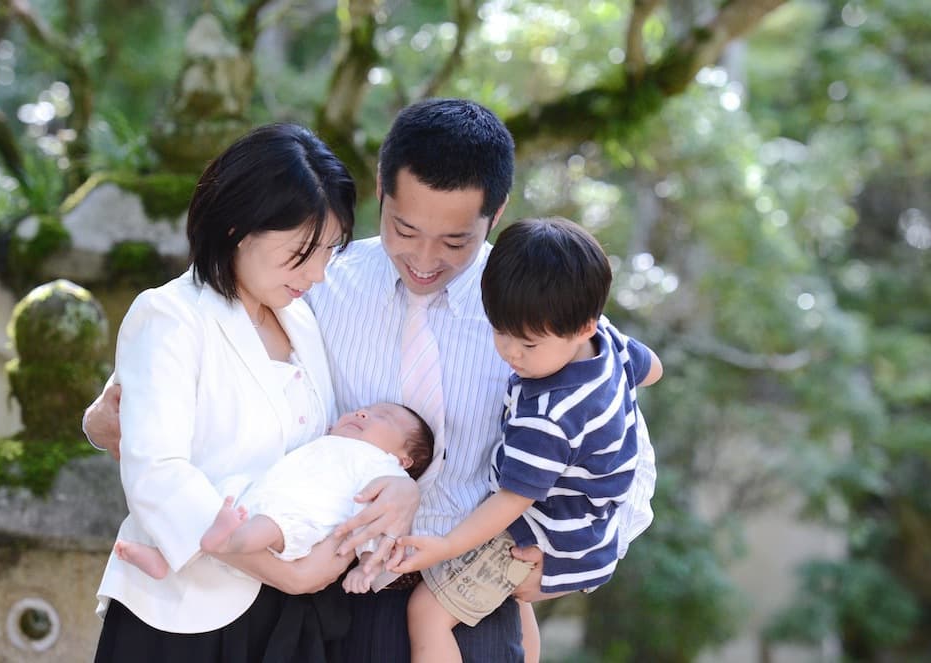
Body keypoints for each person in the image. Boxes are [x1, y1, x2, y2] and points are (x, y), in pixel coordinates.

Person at [85, 98, 658, 662]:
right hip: (324, 604)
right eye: (404, 228)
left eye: (455, 241)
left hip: (458, 606)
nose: (425, 259)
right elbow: (170, 388)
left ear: (497, 213)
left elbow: (622, 458)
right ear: (381, 190)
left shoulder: (535, 311)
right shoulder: (318, 284)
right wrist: (103, 422)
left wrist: (567, 569)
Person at [91, 122, 374, 663]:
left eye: (329, 250)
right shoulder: (171, 316)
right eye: (301, 251)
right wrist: (289, 574)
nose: (317, 273)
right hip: (183, 617)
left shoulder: (302, 321)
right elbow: (159, 475)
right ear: (240, 227)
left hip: (288, 622)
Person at [388, 217, 664, 662]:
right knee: (511, 606)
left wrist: (446, 546)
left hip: (541, 528)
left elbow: (512, 501)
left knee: (428, 612)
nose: (511, 354)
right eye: (501, 332)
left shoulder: (548, 413)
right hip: (585, 523)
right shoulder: (610, 344)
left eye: (529, 344)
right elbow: (653, 370)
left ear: (583, 327)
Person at [113, 402, 433, 588]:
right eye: (365, 409)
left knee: (267, 523)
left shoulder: (384, 468)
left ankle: (223, 543)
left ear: (403, 459)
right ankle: (166, 555)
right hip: (262, 492)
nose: (364, 414)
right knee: (220, 494)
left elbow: (373, 524)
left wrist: (366, 569)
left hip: (303, 517)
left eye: (384, 417)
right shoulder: (327, 439)